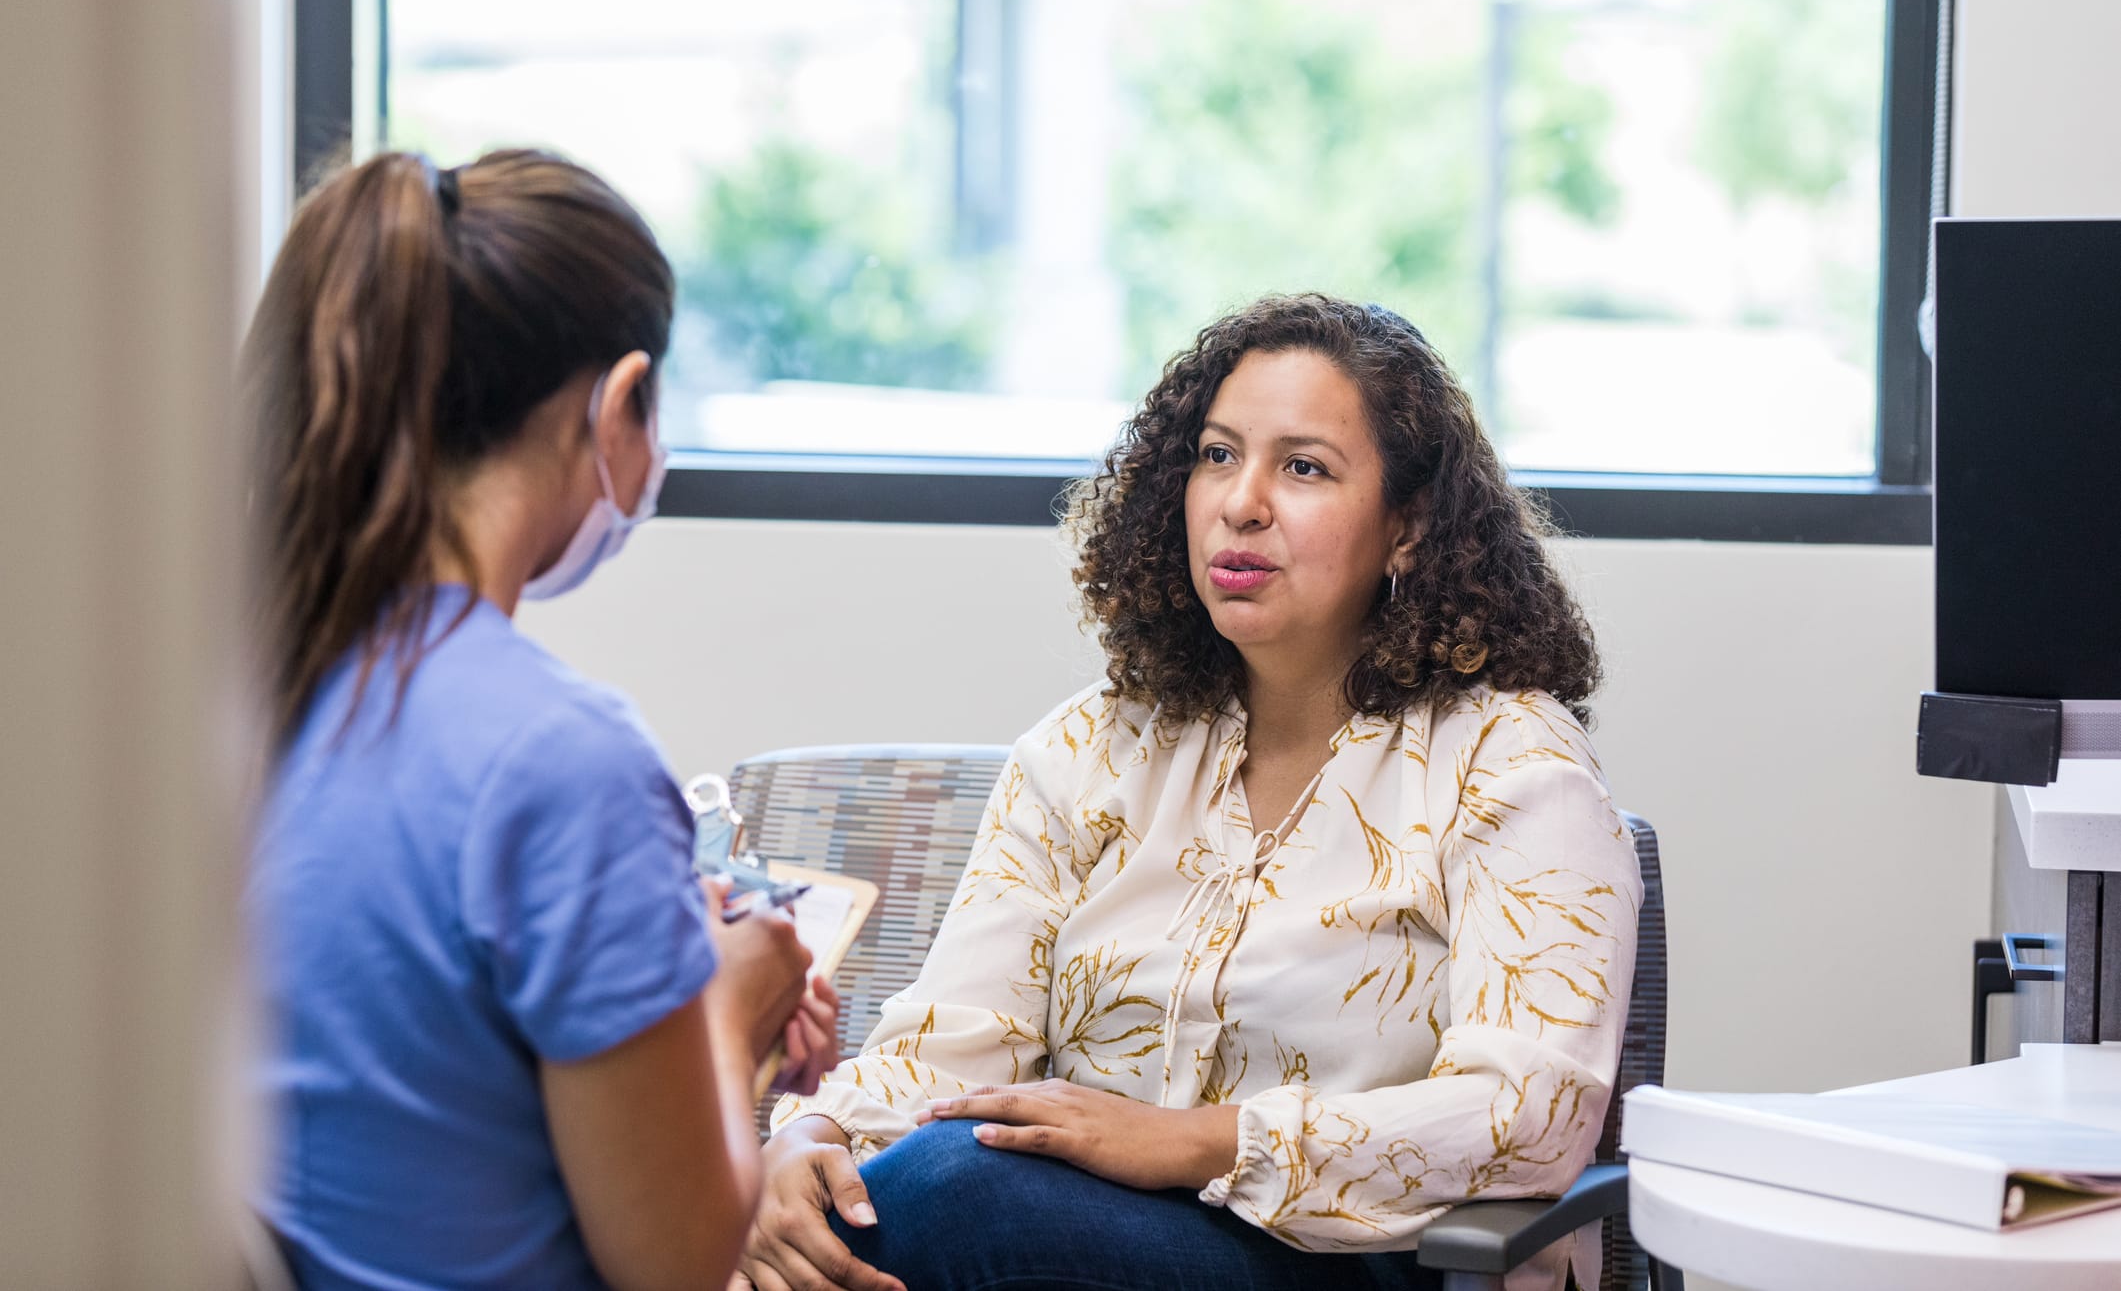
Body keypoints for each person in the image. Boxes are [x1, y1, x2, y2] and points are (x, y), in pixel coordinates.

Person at [740, 294, 1642, 1291]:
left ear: (1409, 526)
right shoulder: (1091, 744)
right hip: (1090, 1245)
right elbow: (956, 1041)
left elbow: (1532, 1114)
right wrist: (806, 1138)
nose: (1241, 500)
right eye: (1217, 455)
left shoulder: (1512, 761)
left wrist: (1195, 1142)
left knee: (957, 1191)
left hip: (1370, 1261)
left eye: (1303, 467)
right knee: (825, 1205)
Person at [243, 148, 838, 1291]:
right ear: (619, 403)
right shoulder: (562, 762)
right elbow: (674, 1260)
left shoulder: (254, 686)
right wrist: (729, 1008)